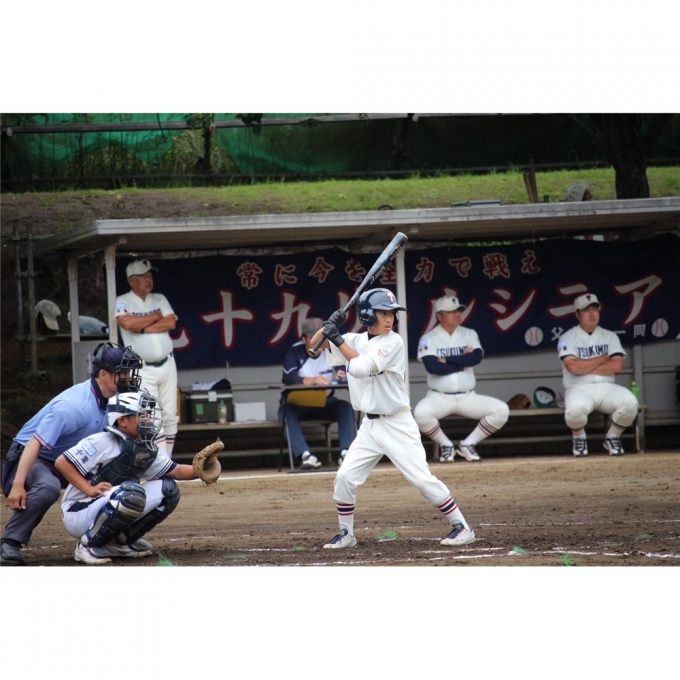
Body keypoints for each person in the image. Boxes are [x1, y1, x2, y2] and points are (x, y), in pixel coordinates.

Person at [312, 288, 475, 550]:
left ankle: (462, 527)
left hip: (397, 423)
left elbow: (362, 368)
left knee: (421, 480)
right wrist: (329, 325)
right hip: (369, 425)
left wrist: (338, 337)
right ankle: (346, 533)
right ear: (368, 315)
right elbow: (314, 346)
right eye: (383, 313)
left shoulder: (393, 342)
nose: (389, 318)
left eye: (391, 314)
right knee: (345, 477)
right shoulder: (354, 340)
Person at [0, 343, 142, 566]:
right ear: (103, 375)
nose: (129, 378)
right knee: (48, 487)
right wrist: (18, 484)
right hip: (31, 457)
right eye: (122, 373)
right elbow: (34, 444)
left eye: (129, 372)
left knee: (120, 468)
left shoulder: (116, 401)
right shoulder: (74, 406)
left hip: (67, 459)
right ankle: (9, 543)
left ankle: (110, 537)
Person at [54, 390, 201, 565]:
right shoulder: (101, 441)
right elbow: (62, 463)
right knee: (131, 493)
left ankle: (119, 543)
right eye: (142, 415)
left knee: (169, 490)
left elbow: (176, 471)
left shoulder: (143, 447)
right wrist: (89, 489)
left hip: (111, 501)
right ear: (122, 420)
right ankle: (87, 545)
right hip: (78, 511)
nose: (148, 420)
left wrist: (203, 469)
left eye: (148, 415)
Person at [413, 295, 509, 462]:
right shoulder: (429, 338)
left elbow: (475, 358)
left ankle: (468, 443)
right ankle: (446, 445)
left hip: (468, 397)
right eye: (451, 312)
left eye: (458, 311)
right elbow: (433, 367)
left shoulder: (469, 334)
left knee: (502, 410)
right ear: (439, 316)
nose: (457, 314)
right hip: (439, 397)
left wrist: (447, 360)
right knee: (420, 413)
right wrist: (462, 362)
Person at [558, 293, 639, 456]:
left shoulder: (610, 336)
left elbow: (617, 366)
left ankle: (612, 436)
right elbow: (573, 367)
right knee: (574, 410)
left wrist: (584, 366)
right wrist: (602, 359)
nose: (592, 314)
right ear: (577, 315)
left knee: (631, 403)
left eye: (595, 309)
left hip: (606, 386)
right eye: (586, 310)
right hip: (578, 387)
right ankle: (579, 437)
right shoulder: (567, 337)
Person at [116, 259, 178, 457]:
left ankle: (167, 462)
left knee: (170, 415)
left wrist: (141, 327)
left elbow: (170, 323)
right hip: (142, 368)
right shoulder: (122, 300)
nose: (148, 279)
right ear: (131, 280)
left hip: (167, 363)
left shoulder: (159, 298)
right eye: (143, 276)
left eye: (150, 276)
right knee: (151, 415)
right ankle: (161, 463)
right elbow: (127, 324)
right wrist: (155, 317)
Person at [279, 317, 356, 469]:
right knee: (284, 411)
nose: (318, 341)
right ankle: (305, 456)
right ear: (303, 339)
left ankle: (346, 454)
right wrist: (313, 380)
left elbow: (346, 370)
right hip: (299, 405)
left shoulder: (331, 349)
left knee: (345, 407)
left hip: (324, 403)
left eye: (321, 336)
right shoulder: (295, 352)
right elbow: (288, 378)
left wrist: (343, 375)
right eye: (313, 337)